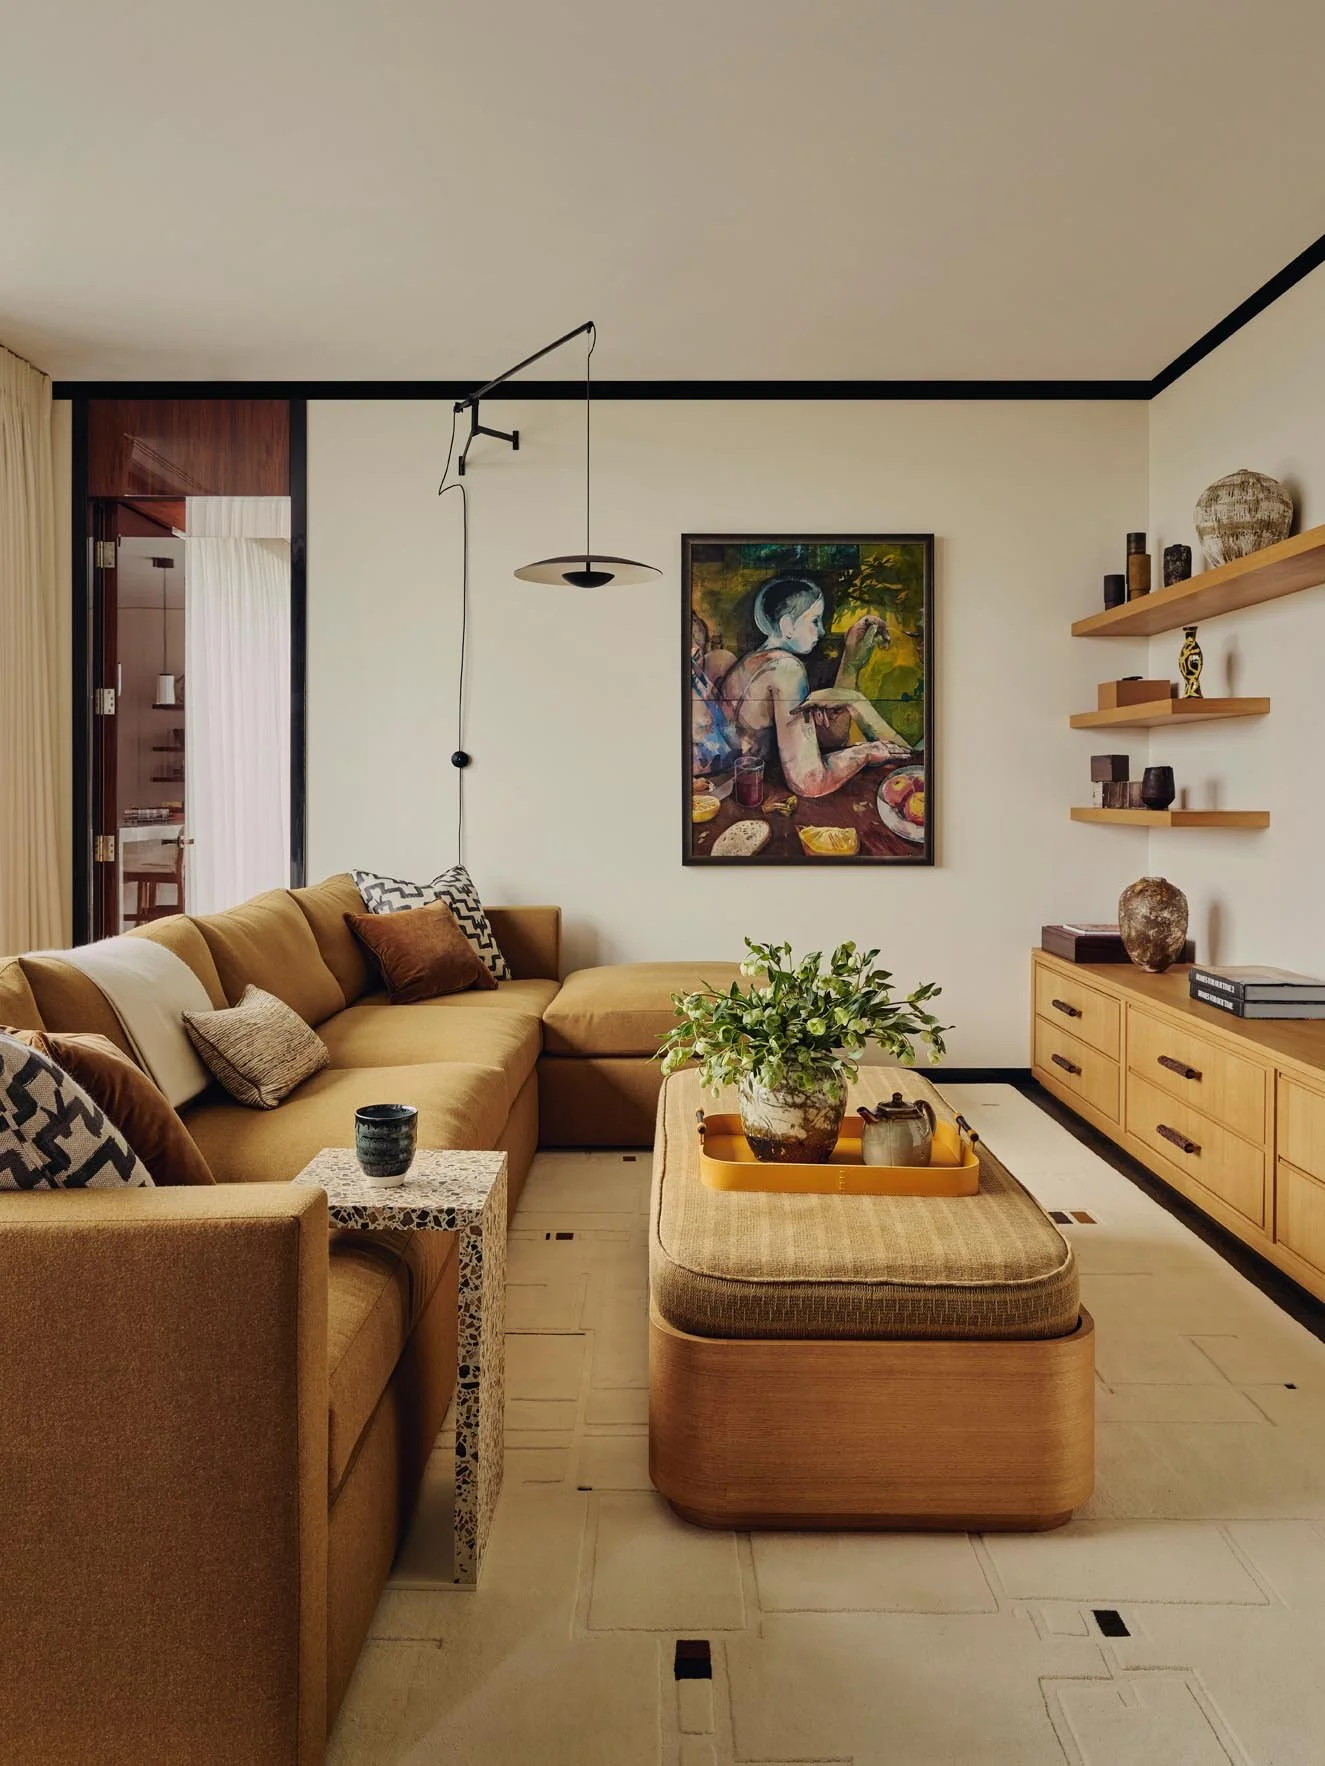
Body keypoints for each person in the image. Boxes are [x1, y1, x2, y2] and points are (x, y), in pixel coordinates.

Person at [717, 577, 911, 798]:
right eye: (815, 620)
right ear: (787, 625)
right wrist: (866, 752)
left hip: (738, 793)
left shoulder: (752, 663)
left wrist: (850, 661)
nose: (821, 632)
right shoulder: (785, 668)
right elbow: (810, 782)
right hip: (759, 797)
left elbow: (833, 738)